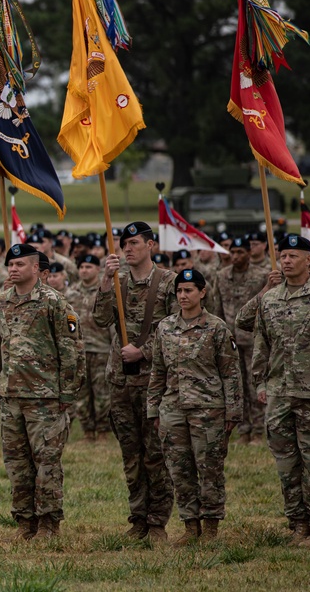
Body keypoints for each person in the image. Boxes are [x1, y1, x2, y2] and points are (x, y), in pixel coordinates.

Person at [0, 244, 83, 540]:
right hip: (12, 396)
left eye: (19, 264)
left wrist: (66, 396)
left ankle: (48, 523)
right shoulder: (2, 301)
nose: (13, 269)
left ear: (35, 268)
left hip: (45, 397)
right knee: (17, 464)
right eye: (10, 265)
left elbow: (71, 351)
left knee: (46, 462)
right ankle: (24, 522)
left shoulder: (54, 302)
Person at [93, 222, 176, 542]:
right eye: (123, 244)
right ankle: (138, 517)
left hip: (155, 381)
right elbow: (99, 320)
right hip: (120, 380)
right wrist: (104, 281)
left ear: (151, 246)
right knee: (130, 454)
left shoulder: (169, 283)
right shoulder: (118, 281)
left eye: (134, 243)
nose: (127, 248)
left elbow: (178, 329)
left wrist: (143, 351)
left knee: (155, 453)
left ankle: (157, 521)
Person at [148, 269, 241, 545]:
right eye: (179, 291)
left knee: (209, 468)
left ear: (202, 292)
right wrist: (154, 409)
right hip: (173, 408)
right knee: (180, 469)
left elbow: (231, 372)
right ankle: (190, 526)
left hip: (208, 409)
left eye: (189, 290)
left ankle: (211, 527)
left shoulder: (217, 327)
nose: (183, 295)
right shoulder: (165, 327)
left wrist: (233, 411)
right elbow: (157, 371)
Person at [253, 234, 310, 545]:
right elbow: (261, 344)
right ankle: (298, 524)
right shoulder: (270, 299)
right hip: (279, 393)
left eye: (293, 255)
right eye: (283, 255)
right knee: (286, 464)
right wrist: (260, 381)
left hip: (309, 393)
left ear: (309, 260)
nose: (286, 260)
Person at [215, 237, 269, 445]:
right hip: (230, 341)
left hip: (253, 340)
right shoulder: (221, 276)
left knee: (254, 384)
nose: (235, 256)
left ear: (248, 253)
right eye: (233, 252)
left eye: (240, 252)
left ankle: (258, 429)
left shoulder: (260, 276)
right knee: (236, 386)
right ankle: (244, 429)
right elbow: (217, 307)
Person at [66, 254, 113, 441]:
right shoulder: (71, 293)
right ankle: (87, 430)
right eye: (82, 267)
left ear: (97, 269)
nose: (84, 270)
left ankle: (102, 430)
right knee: (82, 394)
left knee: (102, 393)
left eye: (89, 267)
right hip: (78, 351)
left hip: (101, 349)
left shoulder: (104, 291)